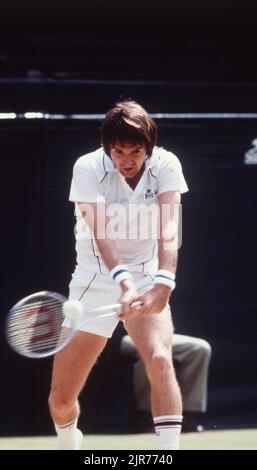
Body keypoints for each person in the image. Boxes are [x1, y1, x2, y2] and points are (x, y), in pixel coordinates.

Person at [48, 100, 189, 450]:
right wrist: (122, 283)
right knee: (60, 401)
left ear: (149, 148)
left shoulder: (167, 165)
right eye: (119, 151)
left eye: (136, 151)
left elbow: (169, 227)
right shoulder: (87, 167)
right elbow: (101, 234)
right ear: (106, 148)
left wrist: (163, 282)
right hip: (93, 281)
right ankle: (69, 440)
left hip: (146, 275)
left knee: (158, 358)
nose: (127, 160)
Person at [120, 332, 212, 432]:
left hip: (154, 331)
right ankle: (144, 417)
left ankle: (184, 418)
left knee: (200, 348)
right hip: (119, 334)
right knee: (151, 348)